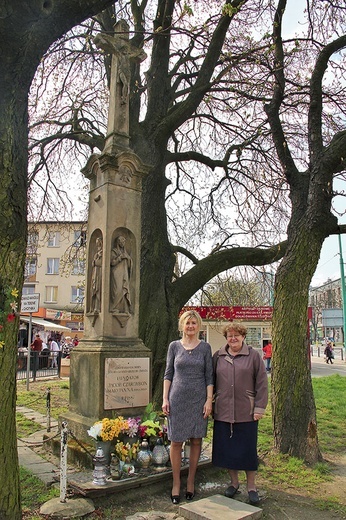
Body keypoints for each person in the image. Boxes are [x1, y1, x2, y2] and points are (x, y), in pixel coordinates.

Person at [212, 322, 268, 506]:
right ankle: (234, 483)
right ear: (226, 338)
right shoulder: (218, 356)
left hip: (247, 412)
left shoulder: (253, 356)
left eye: (237, 335)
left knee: (247, 451)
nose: (233, 338)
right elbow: (210, 382)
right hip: (223, 412)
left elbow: (261, 383)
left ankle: (251, 487)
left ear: (243, 336)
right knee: (228, 451)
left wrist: (259, 408)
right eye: (230, 335)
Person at [162, 310, 213, 504]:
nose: (190, 326)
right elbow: (168, 374)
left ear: (198, 326)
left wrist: (209, 400)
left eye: (194, 323)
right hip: (178, 399)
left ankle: (191, 481)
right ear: (182, 325)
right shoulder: (174, 346)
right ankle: (176, 483)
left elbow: (209, 376)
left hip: (198, 399)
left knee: (196, 441)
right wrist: (165, 399)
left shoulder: (205, 348)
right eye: (187, 323)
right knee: (176, 442)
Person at [110, 235, 132, 313]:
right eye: (122, 241)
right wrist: (120, 258)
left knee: (124, 289)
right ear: (118, 242)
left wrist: (128, 258)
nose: (123, 243)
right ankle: (113, 307)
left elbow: (129, 265)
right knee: (116, 290)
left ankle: (124, 308)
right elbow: (112, 262)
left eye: (124, 242)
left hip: (124, 274)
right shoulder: (114, 251)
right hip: (116, 274)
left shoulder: (125, 252)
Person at [90, 237, 103, 313]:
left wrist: (96, 262)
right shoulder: (97, 254)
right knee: (94, 288)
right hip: (95, 272)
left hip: (100, 272)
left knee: (98, 289)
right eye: (96, 243)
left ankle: (98, 307)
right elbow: (93, 264)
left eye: (98, 243)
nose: (97, 244)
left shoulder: (103, 253)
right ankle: (94, 307)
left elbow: (101, 263)